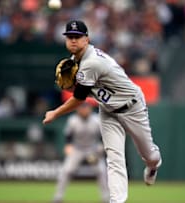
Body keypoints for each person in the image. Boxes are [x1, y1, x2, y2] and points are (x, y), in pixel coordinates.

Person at [43, 20, 162, 203]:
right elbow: (82, 89)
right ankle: (117, 200)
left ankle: (154, 164)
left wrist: (55, 113)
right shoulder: (76, 61)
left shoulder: (91, 63)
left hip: (132, 107)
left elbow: (79, 98)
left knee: (149, 155)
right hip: (108, 110)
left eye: (77, 37)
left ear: (86, 39)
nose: (73, 40)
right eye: (69, 37)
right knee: (114, 158)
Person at [53, 102, 109, 203]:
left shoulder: (96, 120)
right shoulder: (72, 120)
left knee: (101, 171)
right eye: (81, 108)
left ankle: (106, 199)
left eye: (86, 108)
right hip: (77, 150)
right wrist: (68, 145)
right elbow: (68, 135)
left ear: (90, 109)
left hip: (92, 150)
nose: (84, 110)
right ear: (78, 109)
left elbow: (102, 136)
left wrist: (101, 147)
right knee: (66, 171)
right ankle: (58, 197)